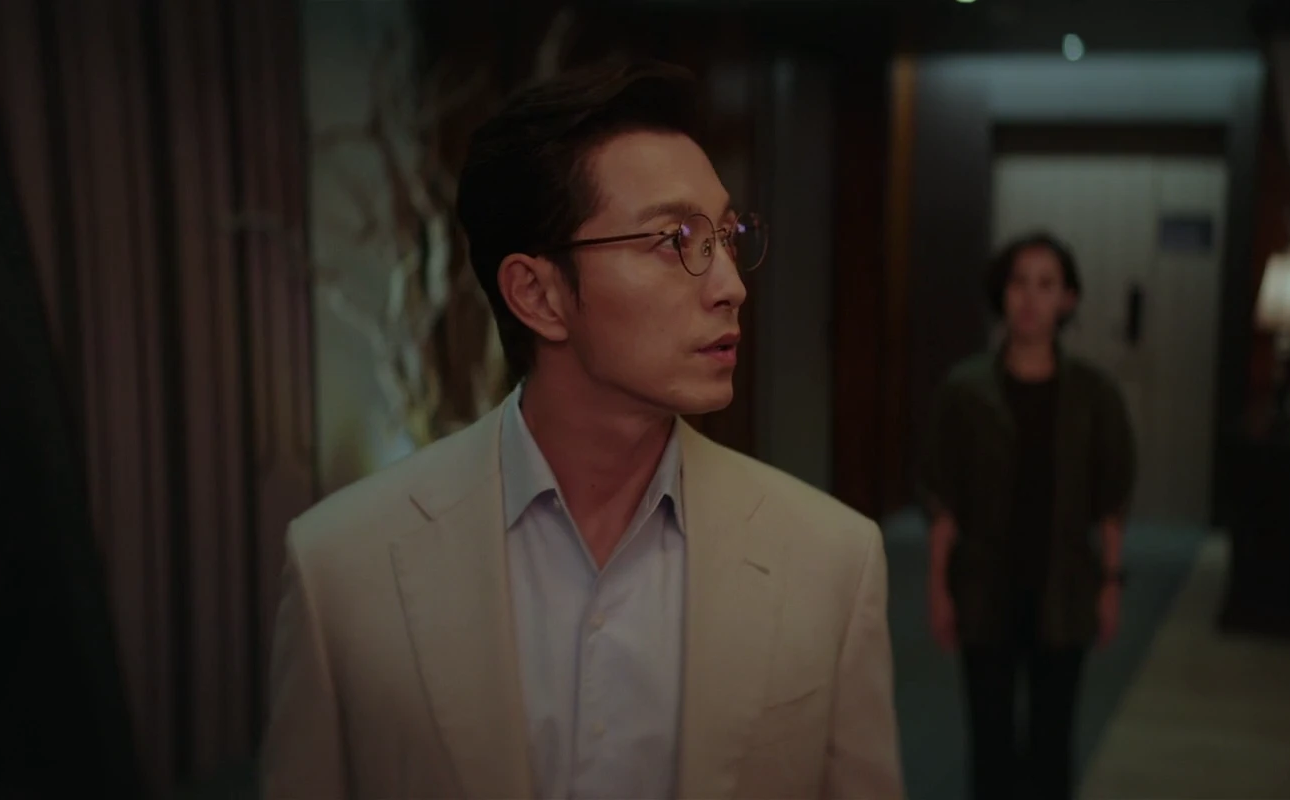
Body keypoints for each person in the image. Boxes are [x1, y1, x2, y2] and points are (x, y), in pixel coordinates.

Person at [261, 59, 903, 800]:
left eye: (727, 237)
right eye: (675, 239)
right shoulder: (342, 568)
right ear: (537, 295)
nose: (731, 285)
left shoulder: (831, 558)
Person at [921, 234, 1137, 800]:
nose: (1031, 298)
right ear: (1002, 292)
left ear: (1067, 299)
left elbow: (1111, 499)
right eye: (1019, 282)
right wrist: (938, 587)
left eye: (1046, 284)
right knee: (989, 743)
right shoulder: (965, 390)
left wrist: (1111, 582)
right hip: (983, 587)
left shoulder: (1093, 395)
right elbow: (943, 498)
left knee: (1051, 744)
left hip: (1063, 588)